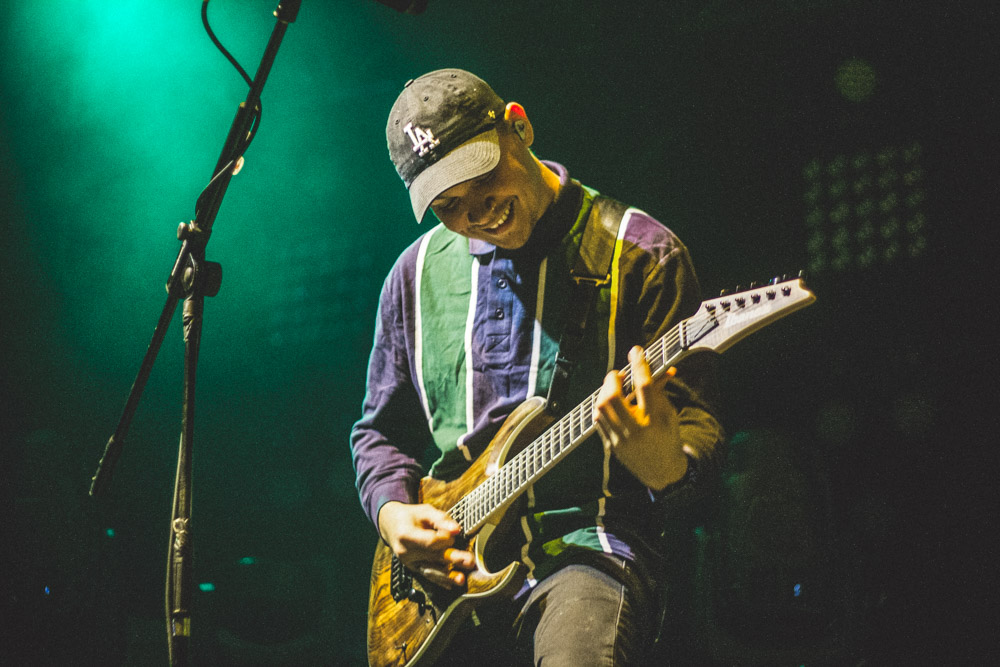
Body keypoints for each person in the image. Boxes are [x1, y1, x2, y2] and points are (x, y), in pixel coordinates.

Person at [351, 68, 725, 665]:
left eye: (483, 178)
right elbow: (379, 433)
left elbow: (699, 438)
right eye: (448, 205)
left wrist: (666, 465)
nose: (477, 212)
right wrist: (393, 513)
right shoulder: (412, 276)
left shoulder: (642, 255)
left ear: (518, 128)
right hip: (446, 577)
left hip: (590, 547)